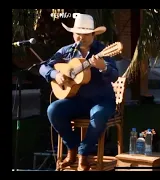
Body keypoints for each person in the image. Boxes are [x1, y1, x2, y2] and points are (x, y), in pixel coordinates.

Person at [39, 13, 119, 171]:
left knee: (97, 117)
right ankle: (72, 148)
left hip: (101, 100)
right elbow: (43, 67)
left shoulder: (102, 50)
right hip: (76, 100)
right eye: (77, 34)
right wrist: (56, 75)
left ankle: (83, 154)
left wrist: (103, 67)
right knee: (53, 110)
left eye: (85, 34)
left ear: (93, 34)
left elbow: (115, 74)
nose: (80, 38)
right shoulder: (66, 51)